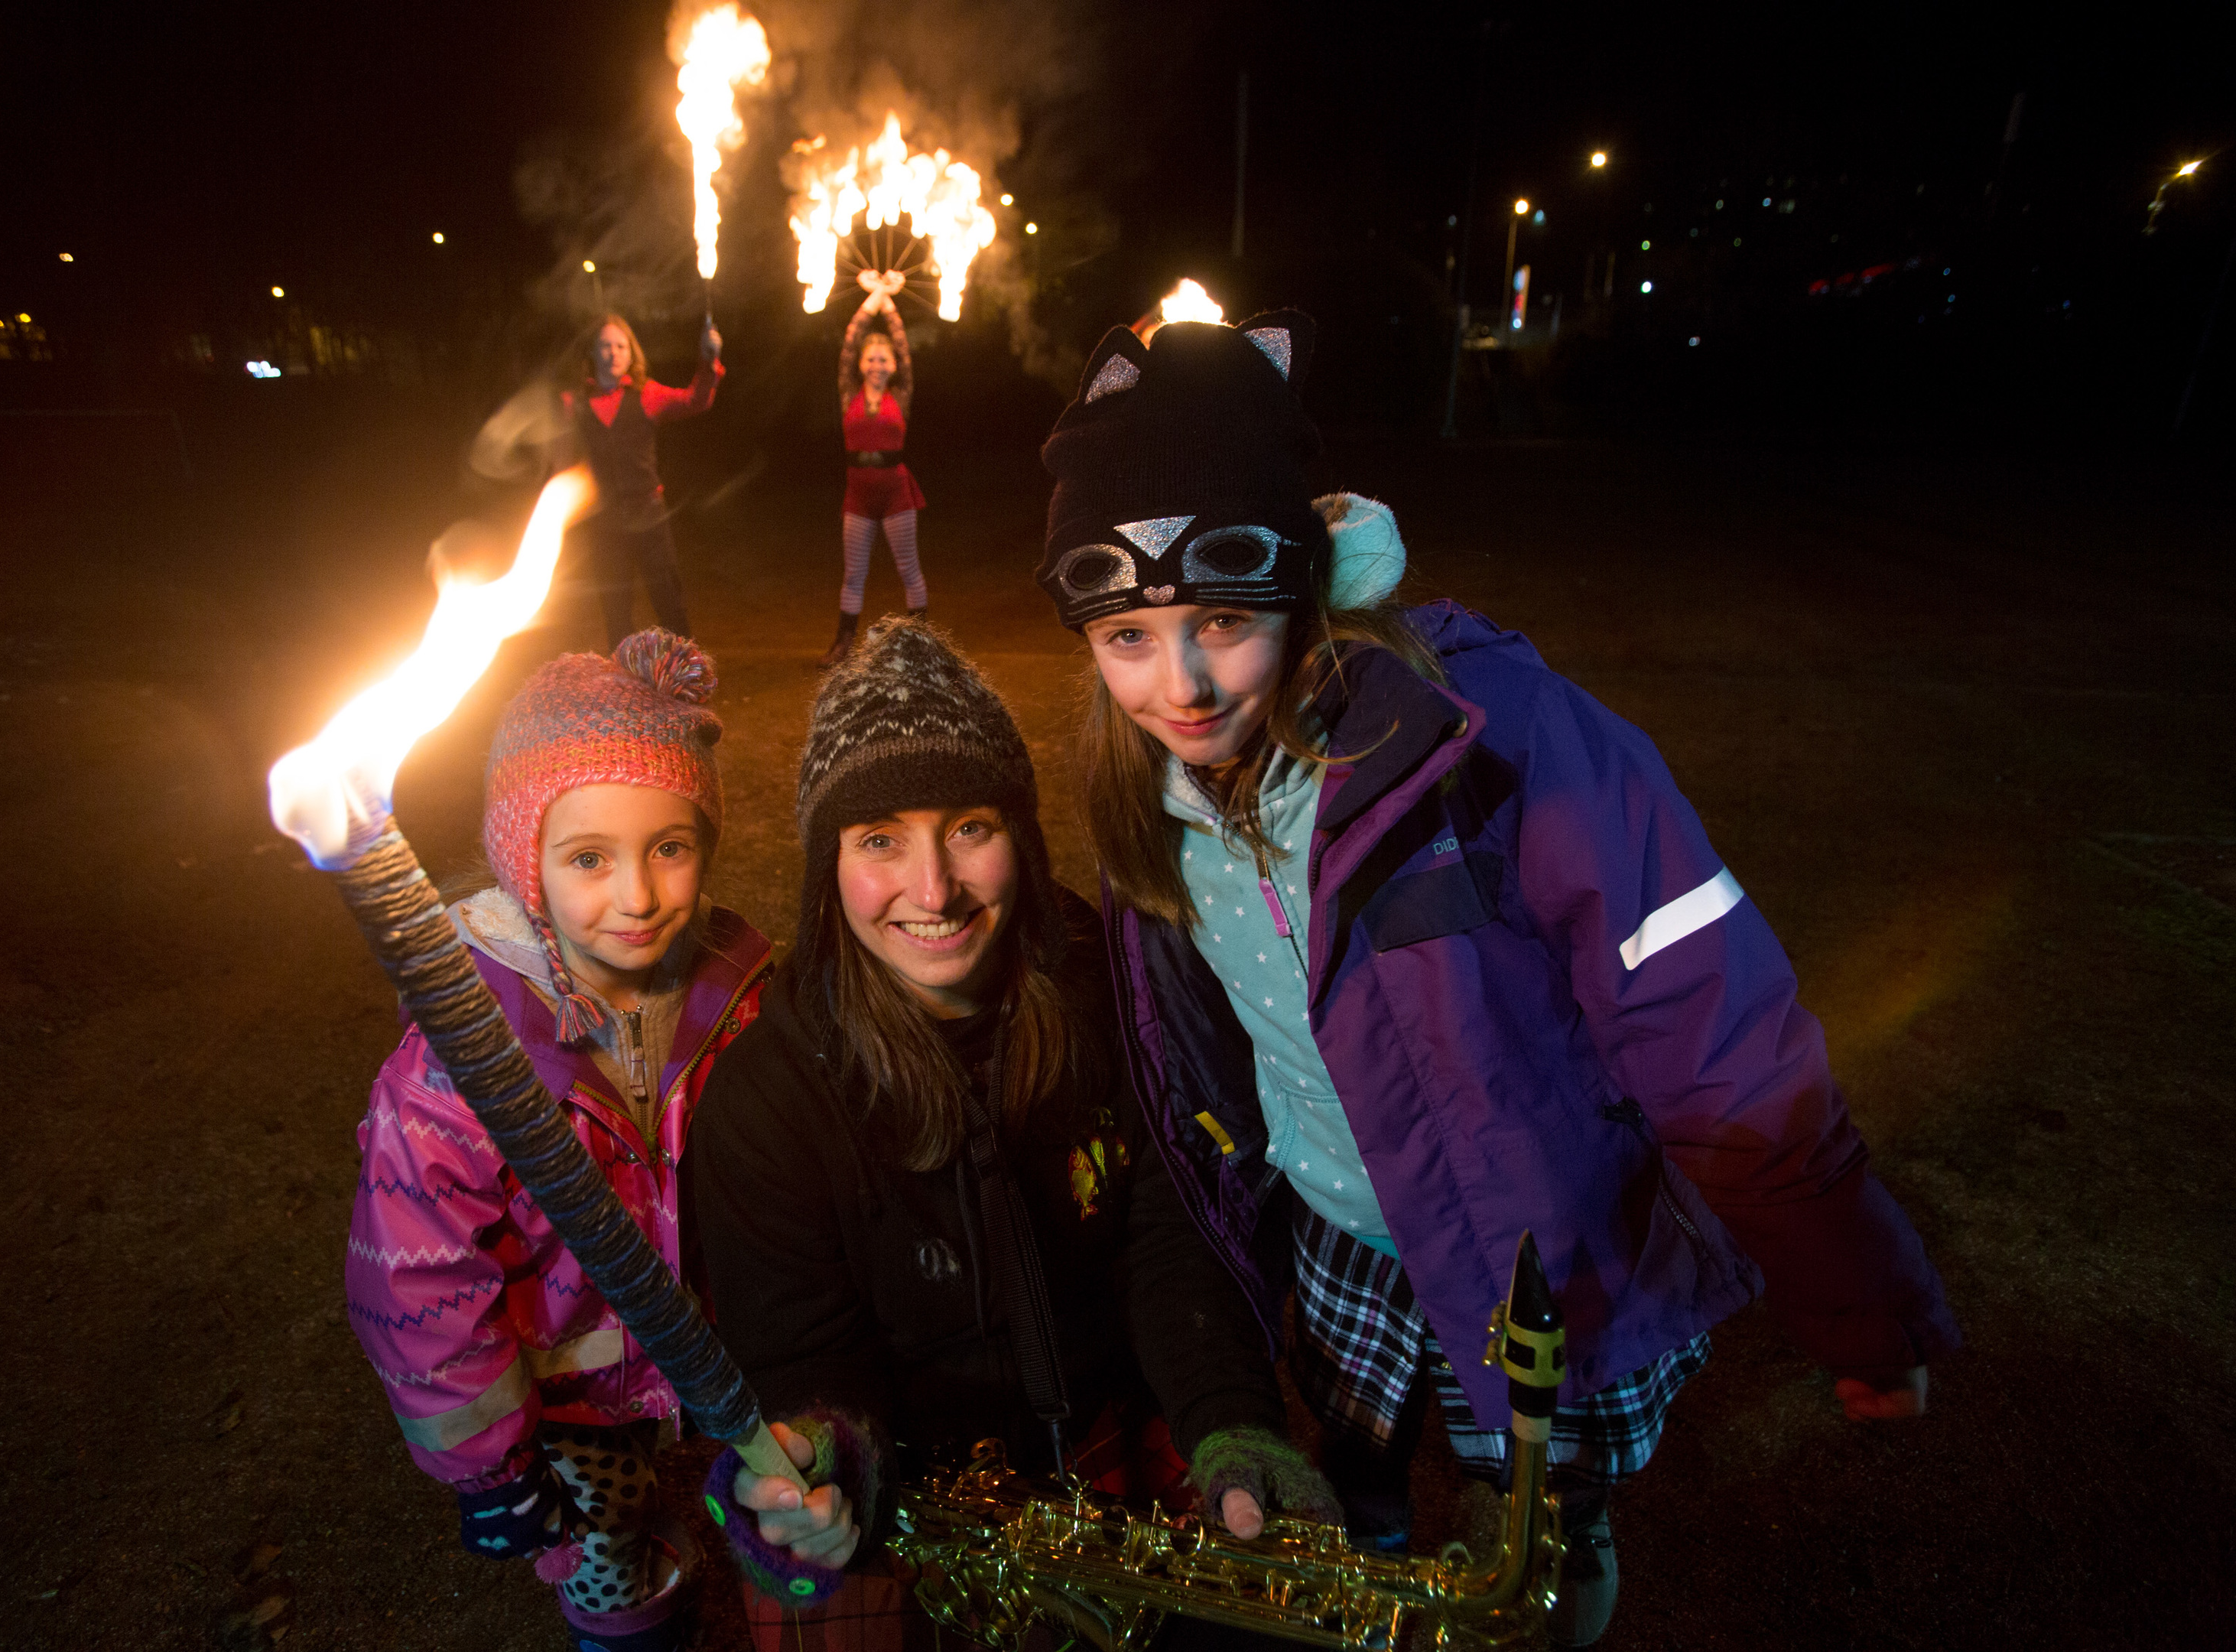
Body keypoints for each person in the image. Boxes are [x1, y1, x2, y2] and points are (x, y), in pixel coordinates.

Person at [1033, 312, 1961, 1647]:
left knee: (1533, 1536)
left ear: (1300, 584)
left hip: (1538, 1260)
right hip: (1345, 1237)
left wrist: (1859, 1306)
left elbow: (1714, 1034)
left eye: (1225, 622)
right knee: (1356, 1507)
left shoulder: (1494, 739)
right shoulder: (1146, 792)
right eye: (1129, 638)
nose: (1178, 683)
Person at [684, 619, 1341, 1647]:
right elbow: (799, 1353)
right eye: (880, 840)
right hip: (920, 1516)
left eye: (970, 827)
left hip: (1114, 1457)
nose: (934, 890)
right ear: (829, 869)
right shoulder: (766, 1101)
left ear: (1022, 839)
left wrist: (1230, 1424)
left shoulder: (1108, 996)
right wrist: (825, 1457)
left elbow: (1168, 1239)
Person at [344, 631, 771, 1652]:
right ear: (522, 859)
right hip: (568, 1422)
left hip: (715, 1375)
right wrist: (491, 1467)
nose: (636, 896)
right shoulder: (458, 1069)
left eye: (670, 848)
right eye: (588, 858)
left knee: (748, 1547)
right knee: (621, 1587)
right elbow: (417, 1283)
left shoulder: (738, 999)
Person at [555, 314, 724, 649]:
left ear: (632, 354)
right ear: (593, 352)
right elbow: (562, 461)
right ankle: (624, 687)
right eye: (606, 345)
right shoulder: (574, 404)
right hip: (604, 522)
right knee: (616, 612)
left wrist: (709, 360)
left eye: (621, 346)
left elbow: (696, 400)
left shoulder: (647, 394)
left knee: (670, 604)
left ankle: (685, 680)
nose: (614, 353)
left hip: (649, 515)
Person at [819, 271, 928, 668]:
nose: (878, 364)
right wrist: (872, 300)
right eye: (872, 358)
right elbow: (849, 342)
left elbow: (902, 341)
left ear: (894, 365)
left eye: (885, 358)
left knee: (908, 568)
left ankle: (922, 648)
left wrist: (890, 303)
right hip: (858, 493)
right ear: (862, 365)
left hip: (896, 490)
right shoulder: (848, 391)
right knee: (854, 574)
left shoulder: (902, 393)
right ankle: (843, 645)